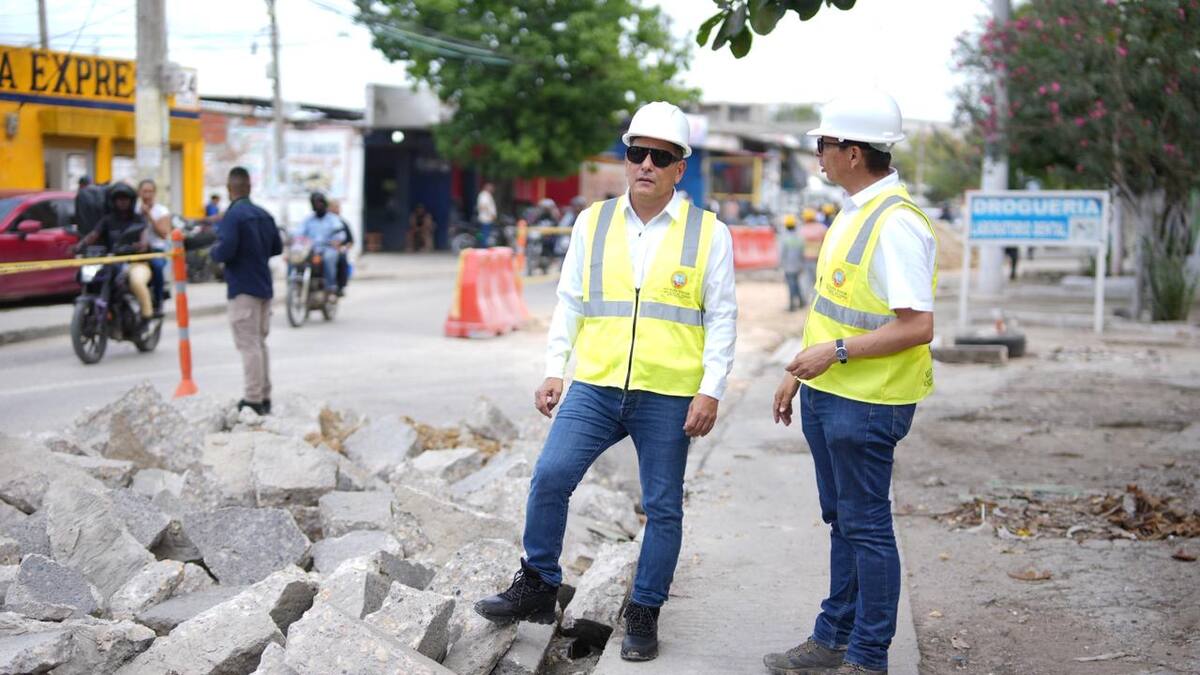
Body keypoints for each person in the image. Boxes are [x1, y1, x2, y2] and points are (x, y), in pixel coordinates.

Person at [473, 101, 738, 663]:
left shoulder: (708, 233)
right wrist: (554, 367)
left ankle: (644, 612)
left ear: (678, 167)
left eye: (659, 156)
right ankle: (539, 586)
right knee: (549, 476)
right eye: (635, 152)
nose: (644, 163)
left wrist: (711, 387)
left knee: (663, 507)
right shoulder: (591, 221)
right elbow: (570, 301)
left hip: (668, 393)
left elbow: (722, 317)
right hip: (595, 386)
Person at [765, 90, 937, 675]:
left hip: (868, 402)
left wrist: (834, 354)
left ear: (854, 152)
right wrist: (798, 372)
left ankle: (867, 658)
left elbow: (919, 326)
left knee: (866, 528)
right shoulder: (855, 210)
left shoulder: (896, 225)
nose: (819, 153)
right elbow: (832, 306)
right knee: (844, 523)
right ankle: (832, 639)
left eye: (825, 143)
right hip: (831, 393)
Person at [209, 167, 283, 416]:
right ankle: (264, 395)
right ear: (249, 187)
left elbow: (225, 249)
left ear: (230, 189)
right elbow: (277, 248)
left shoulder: (233, 216)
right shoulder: (264, 215)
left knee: (249, 345)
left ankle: (253, 400)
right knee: (260, 343)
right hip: (263, 286)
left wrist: (213, 253)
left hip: (243, 287)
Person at [72, 182, 153, 329]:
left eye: (125, 199)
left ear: (131, 201)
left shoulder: (139, 219)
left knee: (136, 282)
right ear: (113, 201)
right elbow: (93, 235)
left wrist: (141, 245)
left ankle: (146, 317)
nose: (122, 202)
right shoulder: (108, 220)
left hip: (135, 262)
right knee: (88, 277)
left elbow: (144, 238)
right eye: (118, 199)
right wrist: (79, 246)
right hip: (111, 262)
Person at [293, 192, 345, 295]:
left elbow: (340, 234)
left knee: (329, 258)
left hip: (327, 248)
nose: (318, 205)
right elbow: (298, 233)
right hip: (310, 250)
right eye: (315, 203)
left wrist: (336, 241)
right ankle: (295, 282)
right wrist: (296, 241)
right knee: (294, 258)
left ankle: (330, 286)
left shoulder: (332, 219)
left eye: (320, 203)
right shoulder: (308, 220)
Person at [137, 179, 173, 316]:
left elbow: (164, 234)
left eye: (150, 191)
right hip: (136, 251)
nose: (147, 195)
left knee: (157, 266)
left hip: (156, 250)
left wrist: (149, 216)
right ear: (139, 192)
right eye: (145, 191)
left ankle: (158, 303)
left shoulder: (161, 211)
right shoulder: (134, 210)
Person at [779, 214, 806, 310]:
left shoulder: (784, 239)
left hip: (788, 267)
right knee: (796, 284)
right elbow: (802, 252)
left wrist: (781, 265)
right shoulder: (799, 238)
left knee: (791, 285)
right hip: (798, 265)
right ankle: (802, 301)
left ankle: (792, 305)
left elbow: (782, 254)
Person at [799, 206, 829, 293]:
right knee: (819, 279)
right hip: (819, 258)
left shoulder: (802, 230)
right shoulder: (822, 228)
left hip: (806, 258)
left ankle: (807, 299)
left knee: (807, 280)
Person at [329, 198, 355, 289]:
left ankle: (339, 286)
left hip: (338, 250)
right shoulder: (321, 221)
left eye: (337, 207)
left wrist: (343, 248)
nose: (337, 210)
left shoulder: (342, 223)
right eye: (334, 207)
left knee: (341, 259)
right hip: (324, 249)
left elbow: (350, 241)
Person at [476, 181, 497, 246]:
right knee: (485, 234)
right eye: (491, 187)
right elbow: (483, 206)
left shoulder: (487, 195)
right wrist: (491, 214)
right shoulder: (484, 195)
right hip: (485, 219)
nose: (492, 189)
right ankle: (483, 248)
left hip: (487, 219)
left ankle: (484, 246)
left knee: (485, 234)